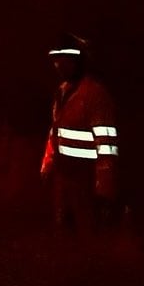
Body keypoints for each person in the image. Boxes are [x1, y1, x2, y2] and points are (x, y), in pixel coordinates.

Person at [39, 33, 118, 232]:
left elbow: (107, 145)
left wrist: (104, 189)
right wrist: (47, 166)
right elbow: (55, 132)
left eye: (66, 59)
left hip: (86, 178)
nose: (60, 65)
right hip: (63, 175)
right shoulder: (62, 91)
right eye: (57, 59)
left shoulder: (94, 94)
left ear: (79, 61)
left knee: (87, 233)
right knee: (63, 232)